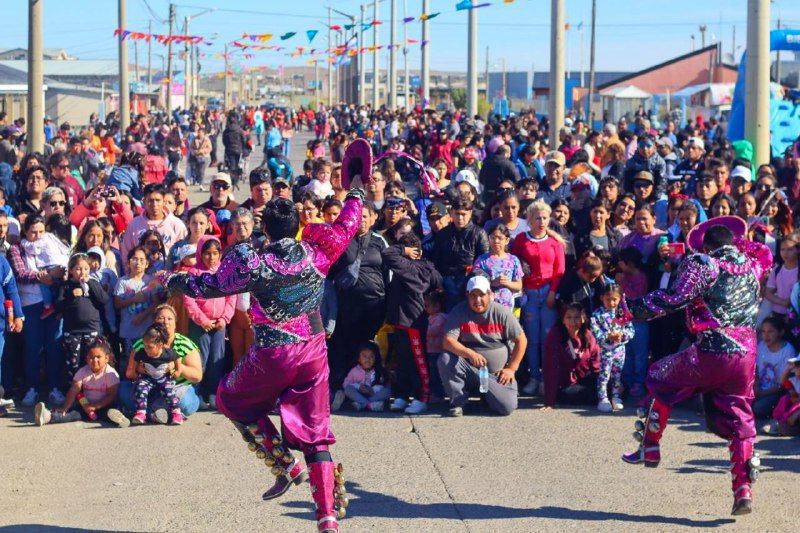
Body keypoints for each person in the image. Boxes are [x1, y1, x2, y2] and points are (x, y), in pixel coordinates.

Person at [163, 188, 364, 532]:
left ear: (265, 229)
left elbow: (212, 286)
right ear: (298, 223)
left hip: (272, 352)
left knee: (230, 398)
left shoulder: (256, 262)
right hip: (314, 353)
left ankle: (285, 464)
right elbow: (348, 222)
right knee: (316, 434)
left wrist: (176, 279)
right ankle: (327, 518)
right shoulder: (317, 253)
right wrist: (355, 193)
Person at [622, 218, 772, 515]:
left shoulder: (705, 263)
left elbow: (675, 298)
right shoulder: (752, 266)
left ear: (707, 246)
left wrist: (631, 309)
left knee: (658, 375)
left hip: (713, 350)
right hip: (746, 357)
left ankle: (650, 445)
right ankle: (743, 490)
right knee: (741, 421)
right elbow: (762, 253)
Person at [438, 275, 527, 417]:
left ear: (490, 294)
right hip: (470, 367)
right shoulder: (459, 311)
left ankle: (488, 397)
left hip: (496, 374)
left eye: (481, 295)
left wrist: (511, 368)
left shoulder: (501, 311)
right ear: (467, 295)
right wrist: (470, 353)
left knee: (506, 407)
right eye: (473, 295)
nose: (477, 300)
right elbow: (448, 341)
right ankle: (459, 402)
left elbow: (521, 340)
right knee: (445, 359)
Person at [382, 232, 442, 415]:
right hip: (401, 321)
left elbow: (387, 253)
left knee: (419, 361)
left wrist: (403, 250)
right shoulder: (416, 267)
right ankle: (402, 395)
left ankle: (422, 397)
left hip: (414, 321)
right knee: (403, 361)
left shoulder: (412, 266)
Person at [511, 201, 565, 395]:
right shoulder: (520, 240)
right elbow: (514, 264)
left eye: (544, 218)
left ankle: (547, 377)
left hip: (548, 292)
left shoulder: (554, 242)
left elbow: (559, 270)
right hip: (529, 295)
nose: (541, 222)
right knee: (532, 339)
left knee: (547, 338)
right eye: (537, 218)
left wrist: (553, 292)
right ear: (529, 220)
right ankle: (534, 377)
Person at [182, 236, 235, 409]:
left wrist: (224, 319)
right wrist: (202, 320)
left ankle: (213, 392)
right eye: (206, 253)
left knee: (217, 359)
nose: (211, 257)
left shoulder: (224, 272)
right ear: (200, 253)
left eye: (215, 253)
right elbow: (189, 300)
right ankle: (197, 392)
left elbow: (231, 297)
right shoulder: (194, 273)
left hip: (219, 324)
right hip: (200, 325)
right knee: (201, 358)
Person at [34, 338, 128, 427]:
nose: (95, 360)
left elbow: (112, 395)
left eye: (98, 357)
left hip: (104, 405)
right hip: (85, 406)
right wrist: (65, 407)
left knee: (109, 413)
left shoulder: (110, 373)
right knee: (72, 414)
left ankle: (120, 419)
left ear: (107, 358)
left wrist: (95, 406)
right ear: (86, 359)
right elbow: (74, 390)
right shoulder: (83, 372)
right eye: (91, 357)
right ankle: (48, 416)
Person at [55, 253, 108, 384]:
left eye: (85, 268)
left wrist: (89, 282)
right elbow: (58, 306)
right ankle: (76, 395)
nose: (82, 272)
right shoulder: (66, 286)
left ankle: (93, 391)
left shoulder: (93, 283)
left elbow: (104, 300)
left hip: (92, 329)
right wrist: (71, 297)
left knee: (92, 361)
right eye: (78, 269)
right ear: (71, 270)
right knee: (73, 364)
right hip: (72, 331)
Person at [541, 303, 602, 409]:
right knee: (592, 394)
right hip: (564, 384)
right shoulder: (555, 335)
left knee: (614, 386)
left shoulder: (588, 335)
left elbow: (596, 364)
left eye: (577, 317)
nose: (573, 322)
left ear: (583, 318)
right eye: (568, 317)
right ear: (563, 320)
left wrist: (605, 382)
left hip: (583, 378)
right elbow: (550, 368)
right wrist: (549, 402)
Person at [126, 323, 183, 425]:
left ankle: (176, 413)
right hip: (147, 378)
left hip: (163, 379)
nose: (146, 349)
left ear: (160, 345)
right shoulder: (142, 352)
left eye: (150, 346)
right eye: (145, 345)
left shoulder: (168, 353)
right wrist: (135, 370)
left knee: (170, 392)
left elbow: (177, 358)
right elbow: (135, 360)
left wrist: (178, 371)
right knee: (140, 387)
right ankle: (141, 413)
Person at [590, 283, 635, 412]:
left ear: (620, 298)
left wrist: (622, 335)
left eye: (614, 299)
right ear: (602, 298)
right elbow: (595, 332)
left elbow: (631, 330)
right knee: (604, 374)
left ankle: (616, 396)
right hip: (604, 350)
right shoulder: (597, 314)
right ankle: (603, 398)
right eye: (608, 299)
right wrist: (608, 336)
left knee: (617, 374)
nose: (611, 302)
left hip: (619, 349)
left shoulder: (623, 313)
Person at [472, 224, 524, 311]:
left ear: (507, 240)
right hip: (487, 306)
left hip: (507, 307)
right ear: (488, 239)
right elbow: (475, 284)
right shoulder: (481, 260)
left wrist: (507, 283)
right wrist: (492, 283)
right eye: (493, 238)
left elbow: (519, 285)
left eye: (500, 238)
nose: (496, 241)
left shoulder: (513, 260)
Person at [753, 316, 795, 419]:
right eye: (763, 331)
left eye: (770, 331)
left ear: (780, 332)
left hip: (776, 392)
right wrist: (757, 387)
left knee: (758, 408)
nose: (766, 335)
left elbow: (783, 384)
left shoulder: (787, 350)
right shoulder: (761, 345)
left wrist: (762, 394)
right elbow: (757, 369)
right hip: (760, 389)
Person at [340, 341, 391, 411]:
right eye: (364, 356)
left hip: (374, 395)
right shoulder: (354, 371)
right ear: (359, 358)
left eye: (371, 356)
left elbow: (383, 384)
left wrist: (373, 390)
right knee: (348, 389)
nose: (368, 359)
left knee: (387, 391)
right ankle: (369, 405)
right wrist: (358, 386)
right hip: (359, 394)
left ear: (376, 358)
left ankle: (362, 404)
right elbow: (346, 384)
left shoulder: (379, 371)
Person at [763, 357, 800, 435]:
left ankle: (788, 427)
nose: (797, 369)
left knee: (795, 411)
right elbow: (783, 382)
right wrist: (788, 370)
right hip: (796, 404)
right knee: (785, 399)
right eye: (797, 366)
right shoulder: (795, 379)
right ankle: (778, 420)